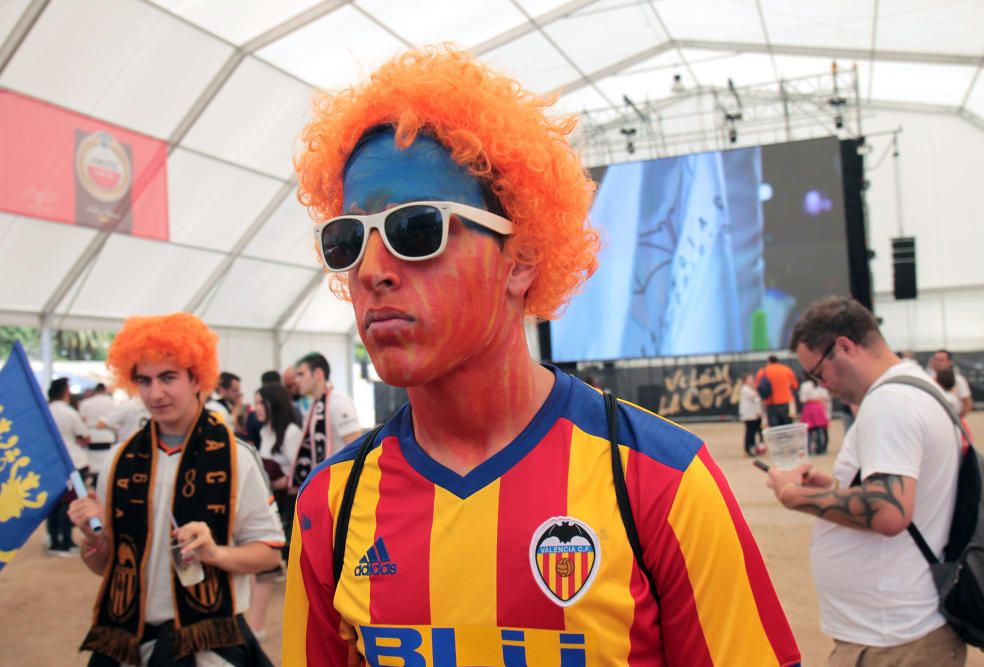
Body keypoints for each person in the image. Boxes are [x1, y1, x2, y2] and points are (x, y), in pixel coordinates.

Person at [283, 45, 799, 665]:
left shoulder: (660, 481)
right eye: (346, 240)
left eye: (415, 229)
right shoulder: (331, 506)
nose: (371, 272)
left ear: (521, 257)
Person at [68, 313, 284, 666]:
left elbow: (270, 554)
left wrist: (215, 554)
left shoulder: (236, 457)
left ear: (197, 378)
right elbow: (107, 566)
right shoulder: (118, 460)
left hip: (208, 646)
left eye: (168, 377)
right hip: (127, 644)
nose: (156, 393)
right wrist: (94, 544)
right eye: (144, 380)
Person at [766, 296, 965, 665]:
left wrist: (796, 497)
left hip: (896, 639)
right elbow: (901, 497)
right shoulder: (914, 387)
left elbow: (889, 512)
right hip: (898, 630)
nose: (822, 386)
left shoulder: (889, 402)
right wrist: (832, 490)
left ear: (844, 347)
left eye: (818, 374)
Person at [246, 383, 303, 638]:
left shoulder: (290, 432)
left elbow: (301, 468)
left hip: (286, 503)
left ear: (272, 404)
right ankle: (255, 622)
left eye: (260, 403)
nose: (255, 408)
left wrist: (282, 482)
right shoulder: (265, 432)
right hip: (268, 500)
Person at [289, 352, 361, 493]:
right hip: (325, 485)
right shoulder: (315, 406)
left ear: (318, 373)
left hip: (342, 486)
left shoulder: (338, 403)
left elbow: (357, 447)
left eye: (301, 374)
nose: (296, 381)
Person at [47, 377, 90, 556]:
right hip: (73, 462)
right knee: (69, 503)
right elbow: (85, 435)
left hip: (50, 463)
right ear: (66, 391)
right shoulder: (69, 412)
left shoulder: (45, 411)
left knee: (53, 504)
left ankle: (54, 540)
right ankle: (66, 540)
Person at [79, 382, 116, 484]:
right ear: (104, 390)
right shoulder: (111, 402)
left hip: (91, 435)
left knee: (93, 464)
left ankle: (95, 481)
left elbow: (82, 420)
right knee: (106, 463)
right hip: (107, 435)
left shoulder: (85, 403)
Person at [928, 350, 972, 417]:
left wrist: (957, 420)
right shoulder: (928, 379)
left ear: (949, 362)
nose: (937, 362)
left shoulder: (958, 380)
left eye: (941, 360)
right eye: (936, 360)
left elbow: (967, 404)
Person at [756, 355, 798, 426]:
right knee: (787, 427)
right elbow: (795, 386)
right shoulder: (787, 370)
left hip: (770, 403)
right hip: (786, 402)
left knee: (774, 428)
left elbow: (758, 387)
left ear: (768, 361)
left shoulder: (763, 371)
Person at [798, 377, 831, 455]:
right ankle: (820, 449)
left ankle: (809, 449)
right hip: (819, 408)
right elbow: (826, 397)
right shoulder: (821, 384)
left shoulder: (805, 385)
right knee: (820, 429)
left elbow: (802, 399)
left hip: (809, 408)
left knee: (808, 430)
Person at [739, 371, 764, 455]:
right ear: (745, 380)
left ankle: (754, 447)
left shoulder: (750, 388)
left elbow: (757, 401)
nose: (752, 380)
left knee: (753, 432)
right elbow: (754, 396)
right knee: (750, 432)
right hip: (748, 415)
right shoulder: (745, 388)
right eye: (750, 379)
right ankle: (749, 448)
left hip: (753, 414)